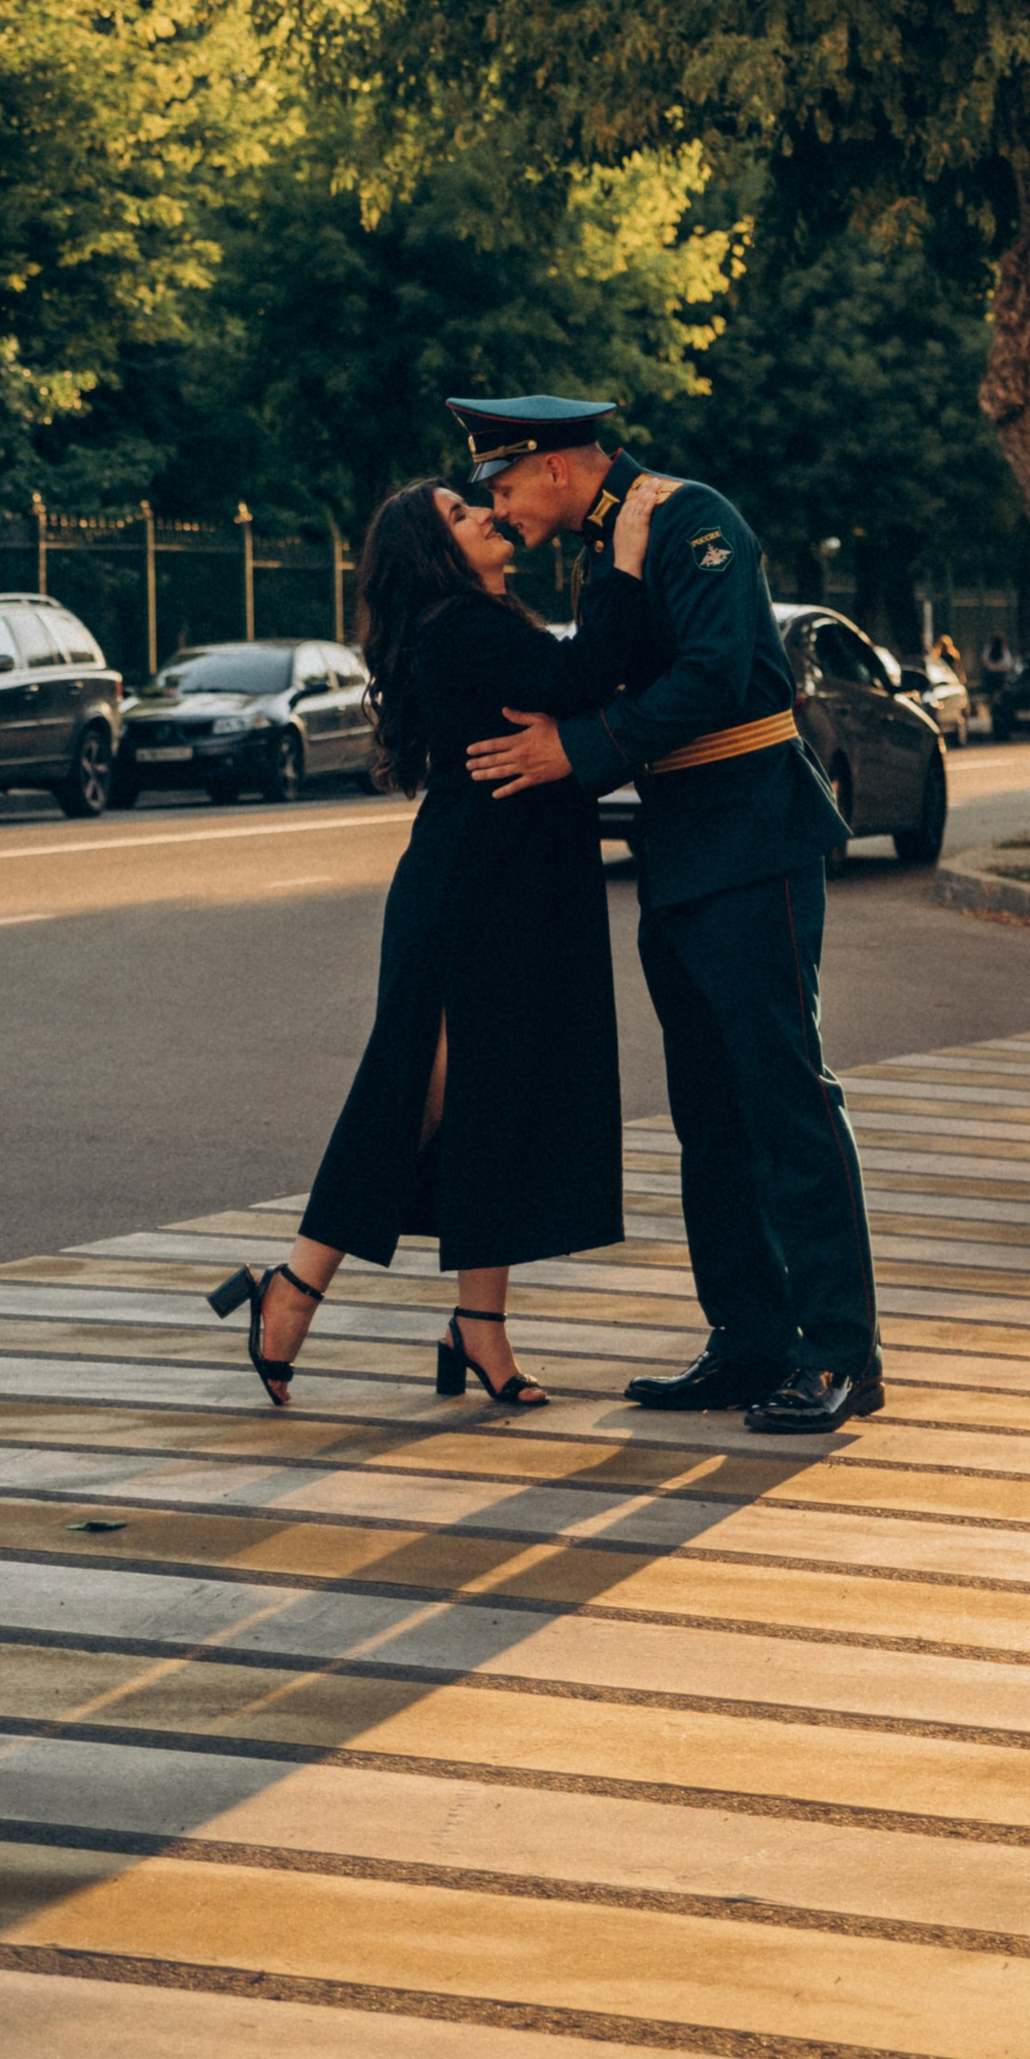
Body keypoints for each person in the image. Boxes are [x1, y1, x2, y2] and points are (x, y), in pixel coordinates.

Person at [456, 396, 883, 1437]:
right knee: (710, 1112)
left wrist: (581, 749)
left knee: (783, 1094)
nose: (500, 508)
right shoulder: (615, 542)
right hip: (686, 844)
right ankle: (749, 1340)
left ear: (555, 466)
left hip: (751, 837)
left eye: (504, 485)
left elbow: (717, 673)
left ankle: (836, 1351)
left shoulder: (687, 515)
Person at [209, 467, 669, 1412]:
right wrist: (623, 560)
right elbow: (584, 680)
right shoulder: (460, 629)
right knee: (413, 1096)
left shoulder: (488, 626)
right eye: (464, 514)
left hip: (512, 887)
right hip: (471, 894)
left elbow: (571, 692)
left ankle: (480, 1327)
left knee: (489, 1100)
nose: (492, 514)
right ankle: (290, 1289)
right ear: (436, 553)